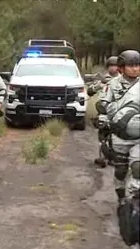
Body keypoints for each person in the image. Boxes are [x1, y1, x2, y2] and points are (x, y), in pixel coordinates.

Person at [100, 49, 140, 247]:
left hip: (138, 134)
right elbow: (104, 105)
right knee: (121, 170)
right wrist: (109, 118)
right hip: (119, 134)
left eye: (137, 65)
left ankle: (134, 203)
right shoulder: (113, 84)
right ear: (122, 68)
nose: (135, 68)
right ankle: (122, 198)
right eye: (131, 65)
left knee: (138, 168)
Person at [88, 56, 120, 167]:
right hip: (103, 110)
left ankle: (117, 157)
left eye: (115, 65)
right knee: (102, 135)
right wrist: (98, 85)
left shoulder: (124, 80)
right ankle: (102, 157)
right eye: (111, 66)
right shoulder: (103, 79)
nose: (113, 68)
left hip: (118, 110)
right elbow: (90, 90)